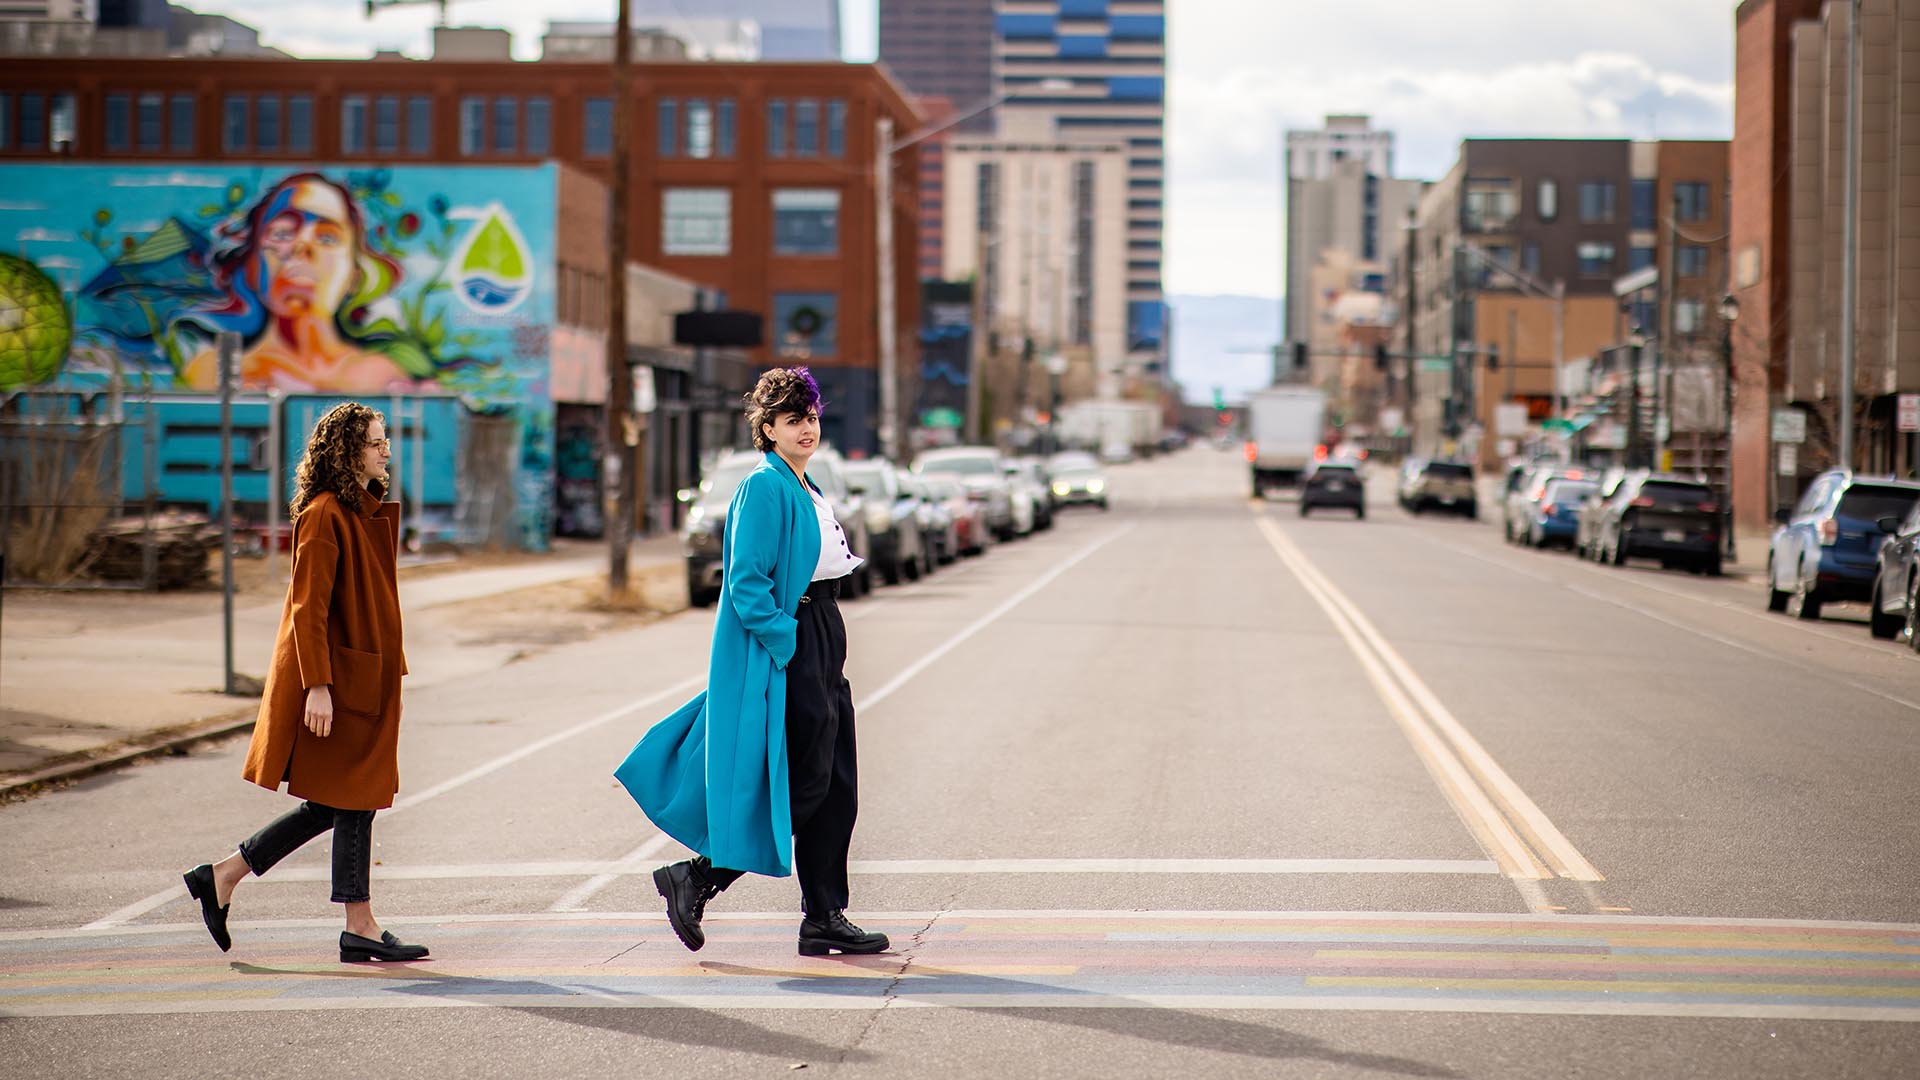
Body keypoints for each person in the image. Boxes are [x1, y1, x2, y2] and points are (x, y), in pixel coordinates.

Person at [616, 367, 889, 957]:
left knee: (837, 782)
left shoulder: (803, 484)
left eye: (812, 417)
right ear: (767, 428)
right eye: (793, 419)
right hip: (796, 638)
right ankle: (699, 876)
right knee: (806, 782)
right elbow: (745, 582)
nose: (807, 428)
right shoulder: (764, 486)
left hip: (822, 630)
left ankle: (824, 916)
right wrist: (789, 645)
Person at [180, 401, 427, 964]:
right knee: (353, 797)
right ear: (346, 451)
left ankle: (223, 875)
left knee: (336, 802)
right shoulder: (323, 515)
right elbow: (305, 610)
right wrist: (317, 685)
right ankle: (357, 924)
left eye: (384, 439)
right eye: (374, 441)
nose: (386, 449)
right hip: (339, 682)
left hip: (363, 677)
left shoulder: (360, 511)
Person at [180, 174, 410, 393]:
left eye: (328, 237)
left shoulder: (380, 376)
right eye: (282, 233)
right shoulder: (213, 371)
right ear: (250, 265)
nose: (302, 246)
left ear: (355, 274)